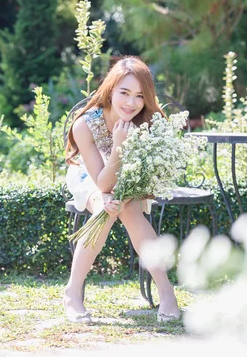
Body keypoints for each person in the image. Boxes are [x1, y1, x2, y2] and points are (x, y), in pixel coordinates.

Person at [63, 56, 181, 324]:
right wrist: (118, 145)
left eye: (139, 96)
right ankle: (72, 292)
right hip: (89, 176)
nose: (130, 103)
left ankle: (167, 292)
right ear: (110, 89)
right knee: (107, 206)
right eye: (124, 93)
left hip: (129, 179)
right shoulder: (85, 124)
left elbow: (147, 171)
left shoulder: (147, 122)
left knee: (127, 208)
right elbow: (102, 183)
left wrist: (125, 192)